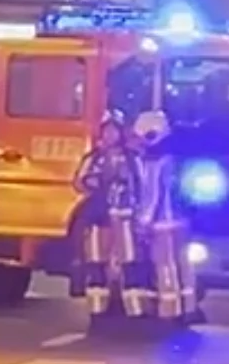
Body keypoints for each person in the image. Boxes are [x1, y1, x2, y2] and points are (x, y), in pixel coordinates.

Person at [131, 109, 197, 323]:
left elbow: (153, 194)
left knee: (164, 265)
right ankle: (189, 307)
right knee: (183, 264)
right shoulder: (177, 157)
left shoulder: (155, 160)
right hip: (181, 221)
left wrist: (143, 221)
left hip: (162, 222)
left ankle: (169, 311)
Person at [72, 112, 140, 319]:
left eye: (114, 130)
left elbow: (141, 185)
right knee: (96, 262)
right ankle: (98, 308)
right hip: (98, 216)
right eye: (107, 130)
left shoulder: (131, 158)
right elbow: (78, 181)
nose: (110, 135)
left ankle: (134, 310)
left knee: (128, 263)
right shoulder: (94, 158)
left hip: (124, 217)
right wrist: (93, 182)